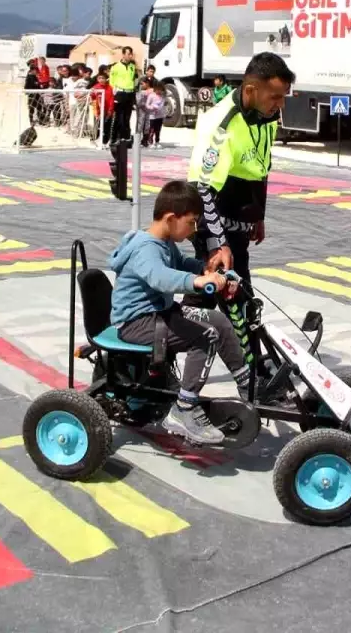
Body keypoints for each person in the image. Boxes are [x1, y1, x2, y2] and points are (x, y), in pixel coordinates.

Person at [110, 181, 249, 445]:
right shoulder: (145, 247)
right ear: (172, 218)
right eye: (193, 222)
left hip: (158, 314)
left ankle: (248, 388)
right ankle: (184, 409)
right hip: (137, 322)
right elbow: (160, 277)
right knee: (206, 335)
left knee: (218, 321)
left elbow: (182, 263)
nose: (194, 230)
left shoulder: (164, 244)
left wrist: (208, 270)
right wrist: (197, 282)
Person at [187, 52, 294, 378]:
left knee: (214, 300)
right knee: (233, 296)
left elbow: (258, 169)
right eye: (275, 96)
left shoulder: (265, 118)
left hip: (239, 224)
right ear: (250, 89)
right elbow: (203, 189)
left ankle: (162, 355)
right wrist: (219, 243)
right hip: (213, 224)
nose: (280, 104)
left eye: (283, 97)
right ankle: (252, 376)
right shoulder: (222, 124)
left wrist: (257, 216)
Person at [110, 46, 139, 142]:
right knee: (119, 116)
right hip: (120, 93)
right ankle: (116, 137)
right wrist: (114, 92)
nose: (130, 56)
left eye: (131, 54)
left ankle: (126, 136)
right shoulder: (116, 67)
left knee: (127, 116)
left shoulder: (132, 66)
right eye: (128, 54)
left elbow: (133, 80)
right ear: (123, 54)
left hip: (129, 93)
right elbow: (112, 81)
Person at [145, 80, 167, 148]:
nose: (159, 91)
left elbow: (163, 105)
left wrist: (164, 114)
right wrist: (152, 108)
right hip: (153, 116)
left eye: (161, 90)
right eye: (158, 89)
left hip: (160, 116)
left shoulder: (162, 96)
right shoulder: (151, 95)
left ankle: (157, 141)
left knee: (158, 130)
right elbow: (147, 105)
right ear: (155, 88)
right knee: (152, 129)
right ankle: (150, 142)